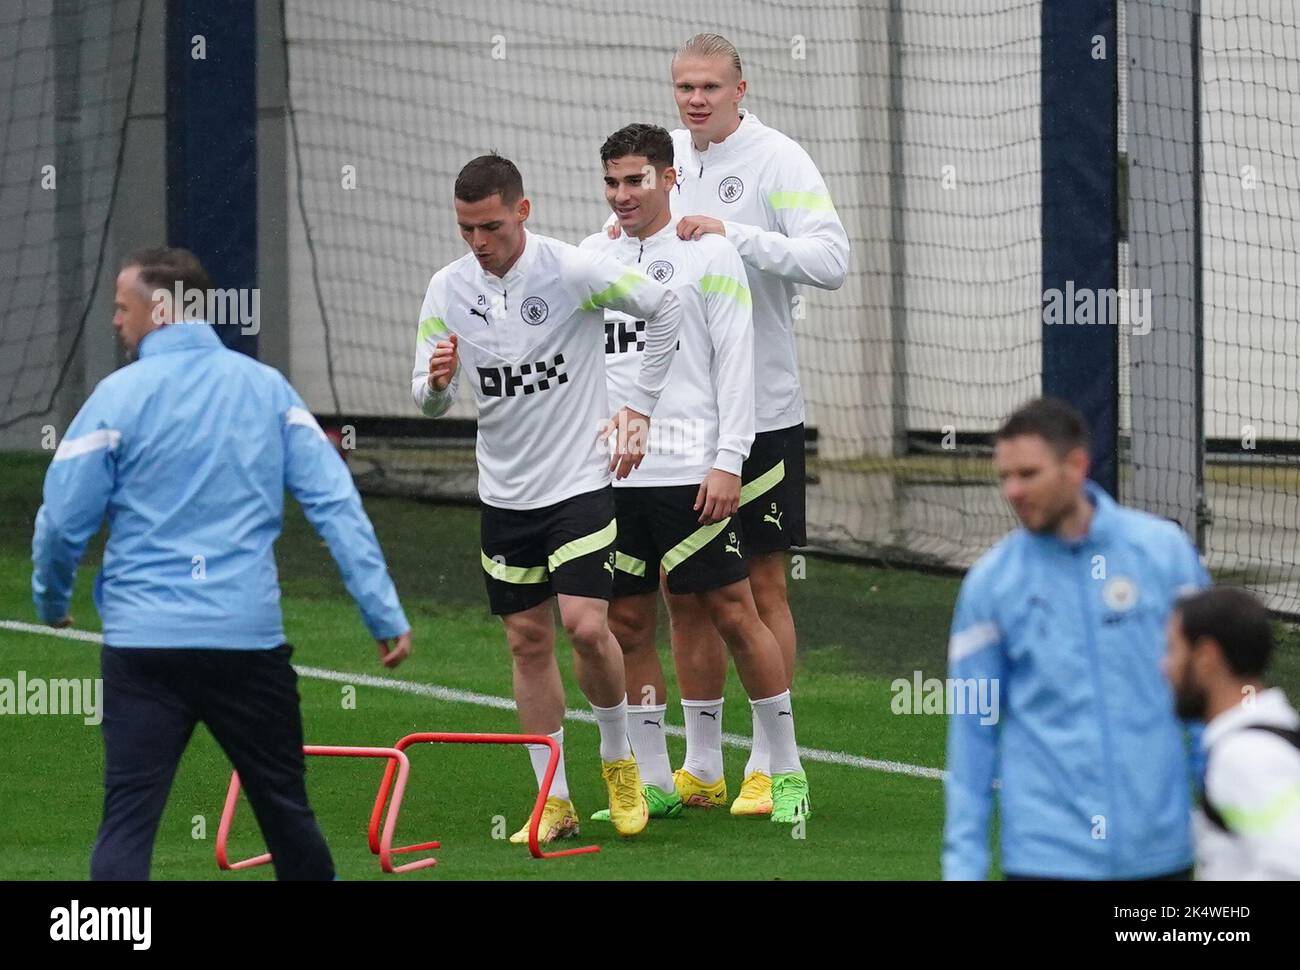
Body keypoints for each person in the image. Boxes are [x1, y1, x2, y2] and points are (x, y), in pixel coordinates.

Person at [31, 246, 412, 881]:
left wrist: (51, 600)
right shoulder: (268, 390)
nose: (115, 322)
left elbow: (64, 518)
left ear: (158, 310)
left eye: (122, 308)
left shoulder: (115, 397)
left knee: (127, 820)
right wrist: (382, 613)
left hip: (143, 648)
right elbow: (336, 505)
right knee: (287, 815)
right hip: (247, 644)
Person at [609, 32, 849, 815]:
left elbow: (831, 260)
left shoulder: (780, 159)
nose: (696, 99)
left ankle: (773, 764)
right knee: (687, 592)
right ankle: (702, 764)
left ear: (742, 88)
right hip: (681, 427)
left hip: (764, 410)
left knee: (762, 588)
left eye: (711, 86)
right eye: (684, 87)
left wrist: (732, 234)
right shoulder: (664, 159)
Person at [411, 153, 683, 841]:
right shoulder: (446, 289)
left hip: (580, 484)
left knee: (587, 626)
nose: (479, 242)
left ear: (522, 212)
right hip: (505, 495)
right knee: (527, 641)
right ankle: (552, 800)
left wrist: (640, 409)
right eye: (467, 228)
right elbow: (428, 398)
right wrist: (439, 383)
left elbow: (664, 308)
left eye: (492, 226)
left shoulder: (571, 269)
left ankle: (618, 761)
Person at [582, 123, 810, 825]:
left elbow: (736, 367)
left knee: (735, 612)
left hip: (693, 470)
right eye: (613, 182)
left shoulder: (710, 252)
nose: (623, 195)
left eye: (636, 180)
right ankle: (660, 779)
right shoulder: (590, 258)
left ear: (669, 178)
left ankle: (786, 770)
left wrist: (727, 462)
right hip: (616, 479)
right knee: (626, 621)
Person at [943, 397, 1208, 880]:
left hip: (1164, 855)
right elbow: (971, 738)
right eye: (1005, 477)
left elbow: (1208, 698)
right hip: (1046, 859)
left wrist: (1230, 823)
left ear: (1077, 466)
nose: (1013, 491)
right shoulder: (990, 585)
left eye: (1028, 474)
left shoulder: (1164, 555)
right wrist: (964, 868)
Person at [1165, 585, 1300, 879]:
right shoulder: (1273, 732)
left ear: (1206, 658)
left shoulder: (1245, 756)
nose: (1165, 667)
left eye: (1172, 650)